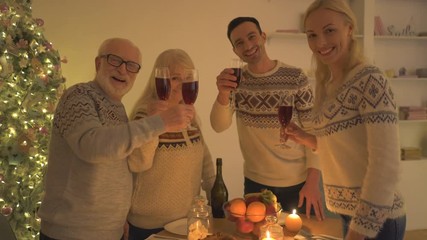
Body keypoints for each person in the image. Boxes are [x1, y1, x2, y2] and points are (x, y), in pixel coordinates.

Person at [38, 38, 195, 240]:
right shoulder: (78, 96)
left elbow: (120, 165)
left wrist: (121, 217)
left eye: (131, 66)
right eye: (115, 60)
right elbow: (92, 146)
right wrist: (159, 123)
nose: (123, 70)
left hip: (112, 231)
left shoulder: (117, 107)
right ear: (98, 63)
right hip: (73, 232)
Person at [286, 0, 406, 239]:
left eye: (329, 30)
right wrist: (306, 138)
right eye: (312, 35)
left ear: (349, 28)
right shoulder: (329, 85)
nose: (320, 43)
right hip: (347, 215)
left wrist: (358, 231)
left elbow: (386, 166)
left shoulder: (370, 80)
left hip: (377, 220)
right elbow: (344, 148)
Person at [210, 16, 324, 220]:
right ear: (235, 50)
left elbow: (314, 132)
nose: (248, 46)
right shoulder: (236, 82)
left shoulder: (295, 77)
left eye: (252, 37)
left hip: (299, 184)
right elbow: (219, 126)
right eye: (239, 43)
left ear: (263, 37)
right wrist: (222, 93)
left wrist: (313, 182)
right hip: (256, 184)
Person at [125, 49, 215, 240]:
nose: (181, 85)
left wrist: (217, 200)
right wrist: (155, 123)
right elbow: (138, 163)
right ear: (161, 80)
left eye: (186, 77)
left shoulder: (190, 117)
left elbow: (205, 163)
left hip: (186, 222)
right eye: (175, 78)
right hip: (149, 225)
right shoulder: (145, 115)